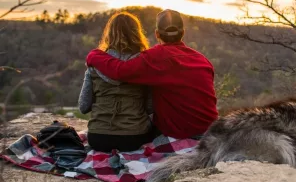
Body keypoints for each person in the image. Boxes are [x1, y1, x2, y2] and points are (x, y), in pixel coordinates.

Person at [86, 9, 218, 139]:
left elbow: (119, 71)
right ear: (183, 32)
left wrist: (94, 55)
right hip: (212, 131)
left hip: (182, 132)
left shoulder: (154, 58)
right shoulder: (203, 60)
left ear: (157, 34)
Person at [78, 12, 154, 152]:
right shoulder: (143, 65)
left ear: (110, 33)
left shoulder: (95, 65)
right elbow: (150, 107)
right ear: (136, 33)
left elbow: (83, 106)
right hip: (134, 138)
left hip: (98, 137)